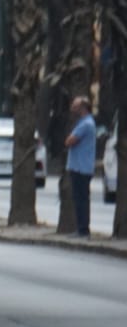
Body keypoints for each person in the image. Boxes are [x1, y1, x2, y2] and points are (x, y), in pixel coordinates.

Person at [65, 96, 97, 237]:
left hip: (81, 167)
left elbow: (70, 141)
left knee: (81, 200)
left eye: (75, 106)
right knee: (79, 199)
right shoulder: (83, 123)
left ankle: (83, 229)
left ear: (83, 108)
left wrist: (69, 139)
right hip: (79, 166)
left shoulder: (86, 124)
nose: (72, 109)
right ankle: (81, 228)